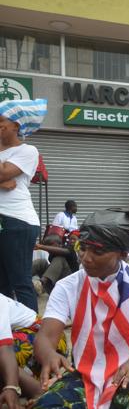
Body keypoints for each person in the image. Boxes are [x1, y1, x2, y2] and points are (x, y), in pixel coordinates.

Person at [33, 209, 129, 408]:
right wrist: (49, 355)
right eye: (82, 247)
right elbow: (46, 336)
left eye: (98, 251)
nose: (86, 257)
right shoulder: (67, 286)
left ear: (122, 253)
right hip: (84, 371)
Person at [0, 98, 47, 312]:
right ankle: (7, 333)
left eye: (1, 122)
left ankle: (30, 333)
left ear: (16, 126)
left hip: (17, 222)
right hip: (3, 222)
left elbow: (4, 173)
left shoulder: (28, 151)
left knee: (20, 281)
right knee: (2, 285)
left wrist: (4, 177)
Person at [0, 292, 67, 405]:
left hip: (46, 342)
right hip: (20, 350)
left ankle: (37, 391)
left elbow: (5, 347)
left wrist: (11, 387)